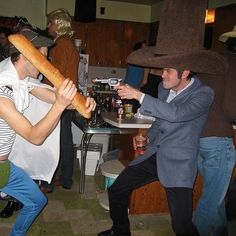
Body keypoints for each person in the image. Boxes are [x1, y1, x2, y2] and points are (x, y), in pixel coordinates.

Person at [97, 1, 227, 235]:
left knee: (181, 225)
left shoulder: (204, 94)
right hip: (154, 155)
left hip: (178, 164)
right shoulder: (165, 90)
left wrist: (138, 95)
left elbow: (177, 115)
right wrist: (146, 139)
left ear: (185, 72)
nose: (162, 74)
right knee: (117, 190)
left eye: (167, 70)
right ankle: (119, 230)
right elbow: (160, 121)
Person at [0, 30, 95, 235]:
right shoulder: (2, 92)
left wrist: (82, 103)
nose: (48, 62)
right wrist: (60, 105)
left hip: (4, 166)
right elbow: (35, 137)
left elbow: (54, 97)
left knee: (36, 201)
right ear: (26, 57)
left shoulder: (23, 82)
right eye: (43, 57)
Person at [193, 25, 236, 236]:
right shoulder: (234, 65)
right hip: (218, 139)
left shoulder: (210, 63)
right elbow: (231, 107)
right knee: (211, 201)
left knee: (215, 196)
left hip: (198, 137)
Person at [45, 8, 80, 190]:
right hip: (67, 97)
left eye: (50, 22)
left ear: (57, 24)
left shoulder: (60, 44)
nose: (48, 26)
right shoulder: (68, 43)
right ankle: (65, 179)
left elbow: (53, 75)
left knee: (56, 141)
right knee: (65, 140)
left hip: (60, 98)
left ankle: (51, 181)